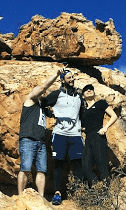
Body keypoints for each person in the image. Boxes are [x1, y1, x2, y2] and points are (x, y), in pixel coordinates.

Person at [17, 67, 62, 196]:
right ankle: (20, 196)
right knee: (25, 168)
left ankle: (41, 197)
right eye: (40, 91)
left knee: (41, 170)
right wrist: (56, 75)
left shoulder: (43, 108)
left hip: (41, 142)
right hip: (28, 139)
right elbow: (42, 88)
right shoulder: (30, 101)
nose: (43, 93)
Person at [42, 69, 84, 198]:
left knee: (78, 163)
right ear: (62, 80)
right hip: (59, 133)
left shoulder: (79, 96)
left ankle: (77, 193)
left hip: (75, 135)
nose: (72, 79)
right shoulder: (56, 94)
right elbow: (42, 104)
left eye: (73, 77)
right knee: (58, 163)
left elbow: (81, 114)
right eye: (69, 78)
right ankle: (57, 193)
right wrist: (50, 114)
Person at [80, 84, 118, 183]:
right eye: (86, 90)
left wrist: (105, 127)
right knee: (85, 166)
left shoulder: (100, 103)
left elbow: (114, 116)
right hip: (88, 139)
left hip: (98, 136)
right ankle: (97, 187)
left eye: (91, 89)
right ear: (83, 95)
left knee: (102, 166)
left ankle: (106, 194)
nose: (89, 90)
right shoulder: (83, 110)